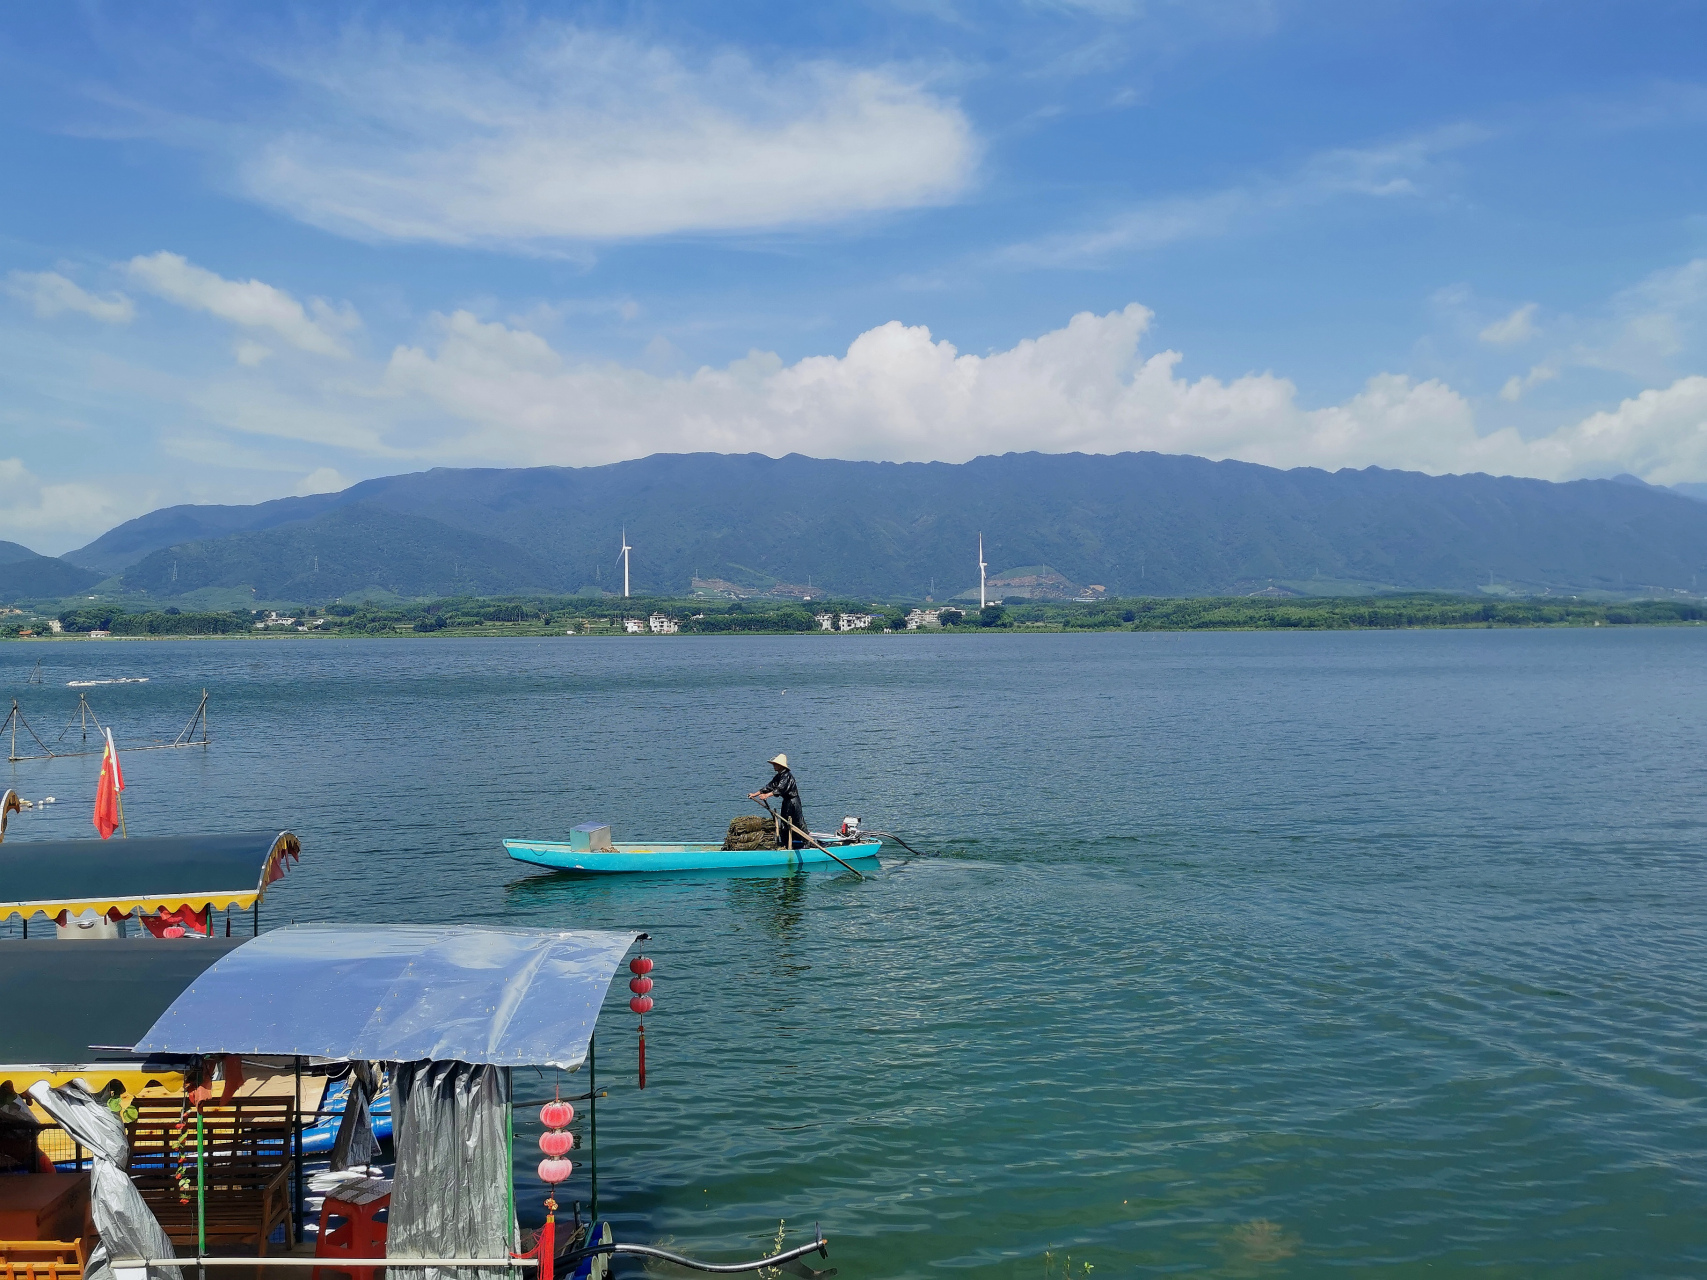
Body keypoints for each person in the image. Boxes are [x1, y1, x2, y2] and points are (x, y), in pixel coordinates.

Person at [750, 753, 806, 849]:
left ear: (780, 765)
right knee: (784, 824)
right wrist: (755, 794)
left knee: (797, 822)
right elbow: (769, 786)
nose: (774, 766)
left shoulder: (786, 776)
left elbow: (780, 789)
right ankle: (785, 843)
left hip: (793, 802)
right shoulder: (779, 776)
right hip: (786, 802)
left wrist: (767, 795)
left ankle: (806, 843)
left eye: (775, 764)